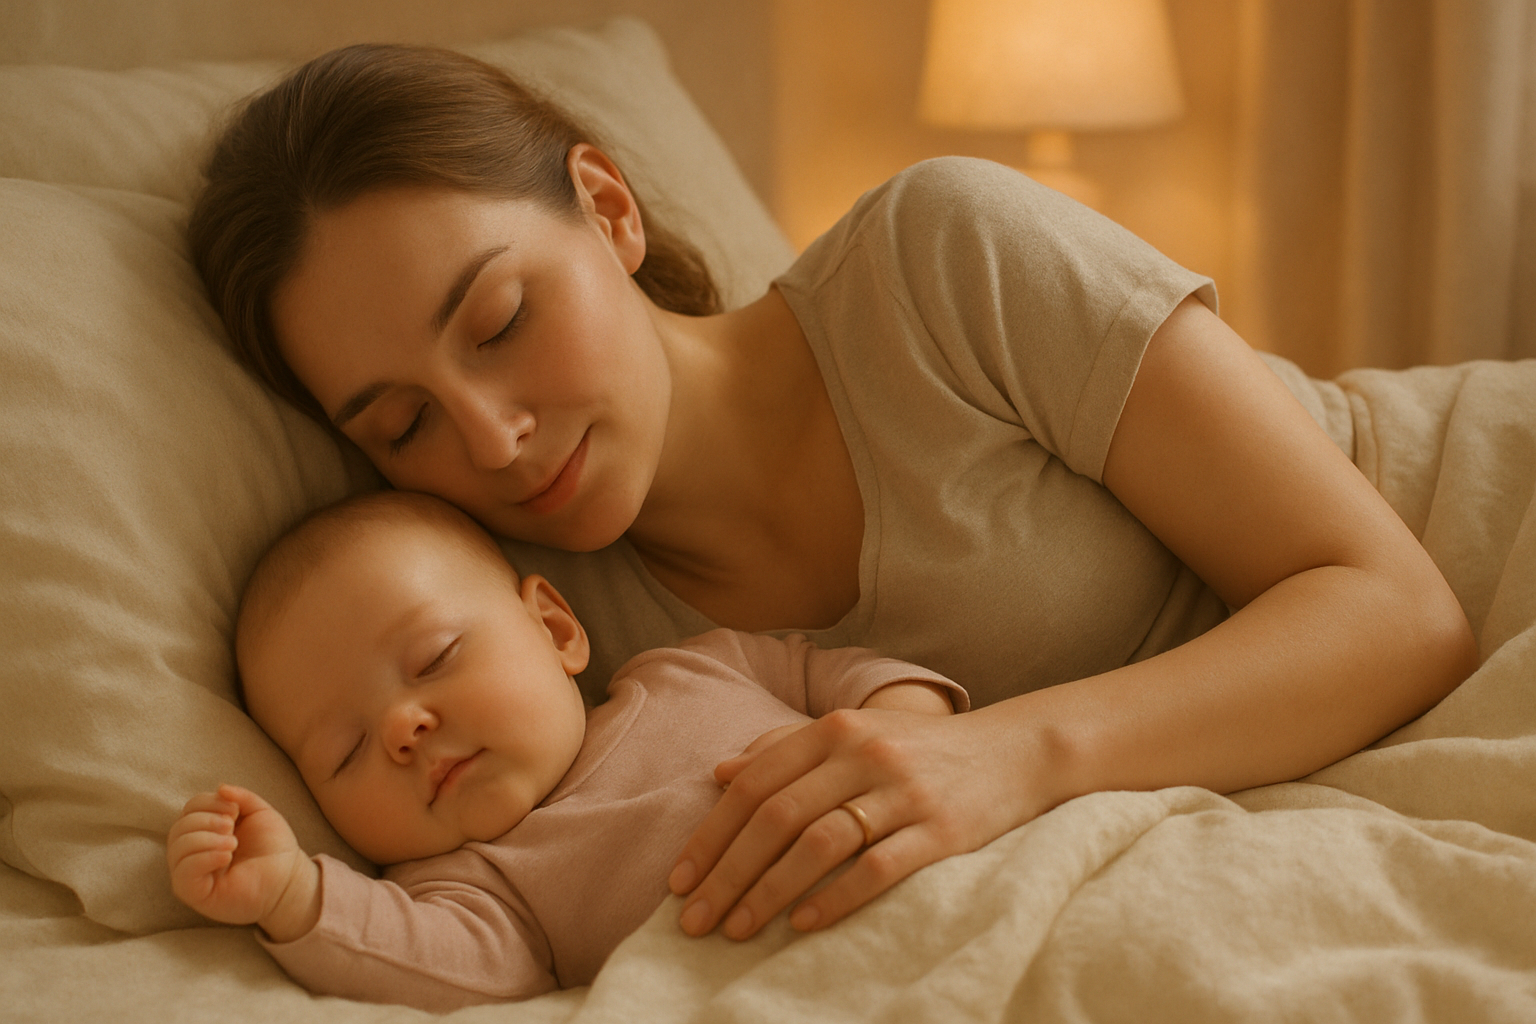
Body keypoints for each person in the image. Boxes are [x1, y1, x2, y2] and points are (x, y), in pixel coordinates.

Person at [187, 43, 1479, 947]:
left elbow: (1397, 612)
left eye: (502, 319)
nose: (495, 438)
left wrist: (1007, 753)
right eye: (404, 424)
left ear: (607, 208)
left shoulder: (941, 259)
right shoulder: (532, 643)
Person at [166, 490, 965, 1010]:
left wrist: (905, 725)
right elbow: (441, 967)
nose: (402, 727)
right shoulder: (472, 881)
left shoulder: (692, 669)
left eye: (435, 658)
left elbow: (842, 674)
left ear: (554, 628)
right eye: (346, 752)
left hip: (954, 876)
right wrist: (294, 893)